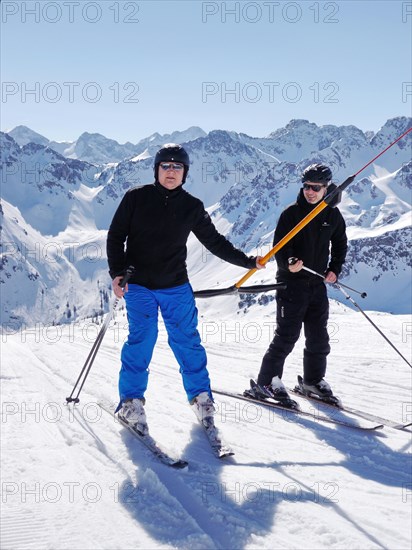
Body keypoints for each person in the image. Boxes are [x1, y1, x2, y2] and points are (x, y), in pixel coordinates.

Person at [107, 143, 263, 434]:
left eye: (177, 166)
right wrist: (117, 273)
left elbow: (216, 243)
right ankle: (131, 401)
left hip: (176, 285)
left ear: (185, 173)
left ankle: (201, 398)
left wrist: (248, 262)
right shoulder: (135, 198)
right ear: (156, 170)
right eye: (165, 165)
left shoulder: (192, 206)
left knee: (187, 341)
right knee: (142, 340)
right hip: (139, 283)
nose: (171, 171)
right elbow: (116, 236)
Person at [255, 163, 348, 403]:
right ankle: (267, 382)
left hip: (317, 284)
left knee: (319, 337)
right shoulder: (291, 214)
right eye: (307, 186)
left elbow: (340, 244)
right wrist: (290, 262)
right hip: (291, 284)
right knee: (287, 335)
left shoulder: (332, 215)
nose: (310, 191)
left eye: (316, 187)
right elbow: (280, 248)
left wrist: (334, 270)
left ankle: (313, 381)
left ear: (326, 188)